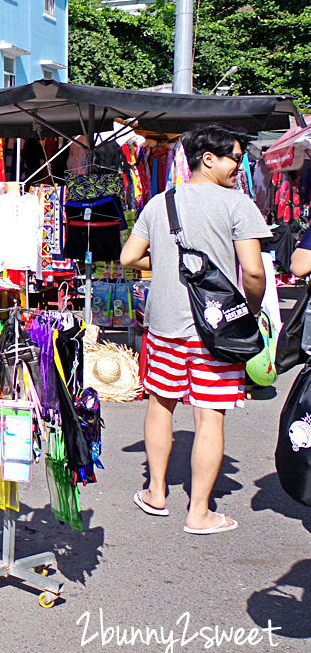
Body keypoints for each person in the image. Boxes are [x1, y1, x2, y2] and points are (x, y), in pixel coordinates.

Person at [119, 125, 269, 535]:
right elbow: (254, 272)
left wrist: (167, 262)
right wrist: (248, 313)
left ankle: (155, 492)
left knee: (160, 405)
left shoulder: (160, 202)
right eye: (234, 158)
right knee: (209, 418)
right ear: (208, 158)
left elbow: (129, 256)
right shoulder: (238, 205)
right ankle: (199, 512)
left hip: (164, 325)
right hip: (217, 331)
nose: (239, 167)